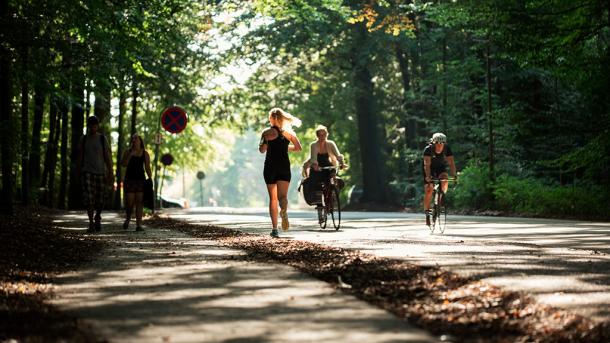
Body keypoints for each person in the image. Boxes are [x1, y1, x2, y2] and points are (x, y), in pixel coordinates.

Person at [259, 108, 302, 238]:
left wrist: (266, 142)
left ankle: (274, 229)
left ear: (270, 118)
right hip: (283, 167)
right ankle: (283, 210)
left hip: (270, 167)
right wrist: (284, 147)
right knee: (282, 197)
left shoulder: (266, 133)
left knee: (273, 199)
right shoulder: (288, 133)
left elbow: (262, 150)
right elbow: (298, 148)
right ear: (282, 119)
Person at [78, 116, 113, 232]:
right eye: (91, 125)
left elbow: (107, 157)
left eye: (95, 125)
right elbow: (80, 156)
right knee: (89, 198)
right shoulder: (83, 139)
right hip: (87, 172)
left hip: (101, 172)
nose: (93, 127)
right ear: (88, 126)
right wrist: (78, 171)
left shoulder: (102, 139)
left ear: (97, 126)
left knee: (101, 199)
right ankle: (91, 223)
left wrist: (110, 172)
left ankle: (97, 216)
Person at [307, 125, 346, 215]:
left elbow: (338, 155)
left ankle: (332, 195)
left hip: (328, 165)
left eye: (324, 135)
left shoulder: (330, 143)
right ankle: (319, 206)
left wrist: (341, 162)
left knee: (335, 178)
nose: (322, 137)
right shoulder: (313, 145)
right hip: (318, 167)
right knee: (316, 184)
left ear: (327, 135)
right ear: (317, 136)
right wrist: (315, 165)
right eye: (320, 135)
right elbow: (313, 157)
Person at [422, 132, 457, 226]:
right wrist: (428, 176)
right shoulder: (428, 150)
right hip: (429, 169)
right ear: (433, 142)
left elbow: (451, 163)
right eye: (437, 143)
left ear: (444, 143)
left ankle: (439, 200)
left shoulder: (447, 148)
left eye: (442, 143)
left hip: (441, 168)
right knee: (429, 189)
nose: (439, 145)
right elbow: (427, 165)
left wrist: (454, 175)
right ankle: (427, 214)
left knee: (445, 179)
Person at [121, 134, 152, 231]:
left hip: (140, 181)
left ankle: (139, 225)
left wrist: (150, 178)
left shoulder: (145, 153)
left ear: (140, 141)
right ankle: (128, 219)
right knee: (129, 203)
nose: (134, 140)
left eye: (136, 139)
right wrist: (130, 155)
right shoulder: (127, 152)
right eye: (133, 139)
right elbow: (123, 164)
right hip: (129, 180)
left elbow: (147, 167)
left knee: (139, 203)